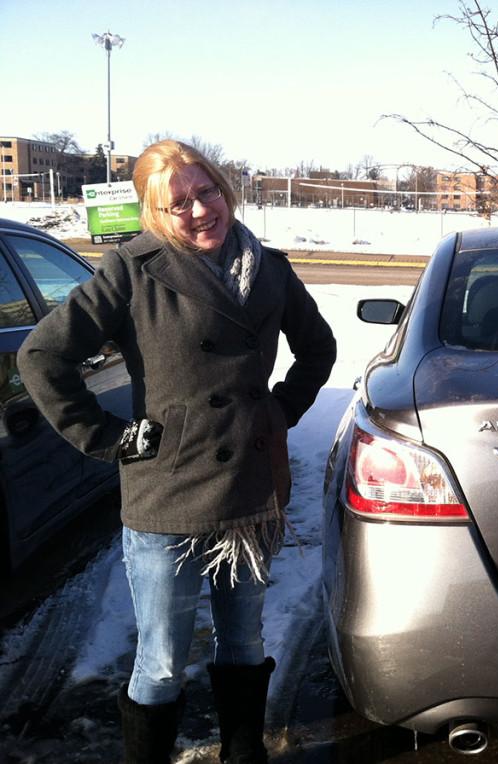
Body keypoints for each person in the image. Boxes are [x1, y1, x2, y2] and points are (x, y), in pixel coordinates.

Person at [17, 140, 337, 764]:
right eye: (179, 202)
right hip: (168, 495)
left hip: (249, 489)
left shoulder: (268, 267)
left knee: (243, 640)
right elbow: (41, 355)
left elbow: (318, 349)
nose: (199, 210)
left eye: (207, 192)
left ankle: (244, 754)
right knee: (161, 660)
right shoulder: (133, 271)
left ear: (224, 188)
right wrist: (106, 438)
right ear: (157, 212)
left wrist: (278, 411)